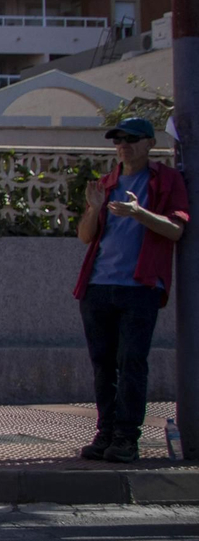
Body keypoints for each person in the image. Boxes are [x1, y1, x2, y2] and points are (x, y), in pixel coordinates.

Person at [73, 117, 188, 463]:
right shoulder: (106, 182)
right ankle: (105, 433)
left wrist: (139, 213)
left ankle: (126, 438)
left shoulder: (166, 180)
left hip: (139, 288)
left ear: (150, 143)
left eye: (132, 139)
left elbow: (176, 231)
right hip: (97, 287)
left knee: (132, 363)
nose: (124, 145)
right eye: (118, 140)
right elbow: (85, 236)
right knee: (103, 366)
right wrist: (93, 208)